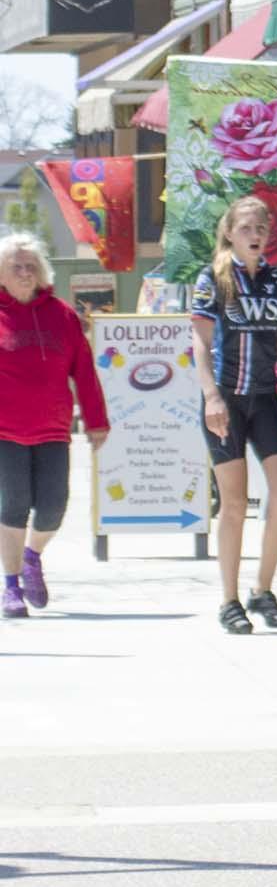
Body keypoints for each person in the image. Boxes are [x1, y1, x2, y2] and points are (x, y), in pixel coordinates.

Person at [191, 196, 277, 636]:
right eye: (246, 228)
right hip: (226, 400)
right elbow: (199, 343)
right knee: (234, 502)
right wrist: (211, 397)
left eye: (262, 227)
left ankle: (263, 589)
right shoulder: (213, 278)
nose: (256, 234)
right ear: (230, 234)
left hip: (265, 397)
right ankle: (229, 599)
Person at [0, 233, 108, 619]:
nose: (25, 273)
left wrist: (96, 421)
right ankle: (11, 587)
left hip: (52, 428)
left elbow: (84, 370)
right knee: (13, 506)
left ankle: (33, 557)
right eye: (17, 267)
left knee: (53, 507)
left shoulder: (61, 315)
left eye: (31, 266)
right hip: (5, 431)